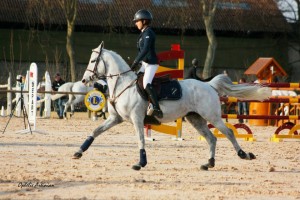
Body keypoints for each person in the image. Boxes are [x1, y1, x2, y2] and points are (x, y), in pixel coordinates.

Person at [131, 9, 163, 118]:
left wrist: (136, 61)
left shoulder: (148, 33)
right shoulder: (143, 33)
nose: (136, 23)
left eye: (137, 21)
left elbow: (145, 50)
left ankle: (156, 108)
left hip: (151, 63)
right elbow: (141, 51)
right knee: (134, 78)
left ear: (144, 21)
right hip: (145, 63)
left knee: (146, 83)